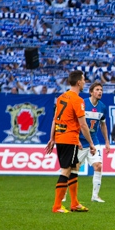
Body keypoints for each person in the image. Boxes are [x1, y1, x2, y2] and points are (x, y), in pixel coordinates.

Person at [45, 70, 96, 213]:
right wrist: (91, 143)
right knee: (66, 170)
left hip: (62, 137)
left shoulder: (61, 97)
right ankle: (56, 206)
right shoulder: (77, 100)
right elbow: (83, 125)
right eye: (84, 79)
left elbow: (55, 119)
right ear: (79, 82)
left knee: (74, 167)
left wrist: (52, 138)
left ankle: (74, 203)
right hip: (68, 138)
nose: (85, 82)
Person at [78, 82, 110, 203]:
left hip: (94, 142)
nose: (100, 92)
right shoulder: (83, 103)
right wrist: (75, 139)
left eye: (101, 90)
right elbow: (76, 123)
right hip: (80, 142)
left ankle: (95, 196)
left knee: (98, 166)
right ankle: (64, 194)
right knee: (72, 169)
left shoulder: (102, 107)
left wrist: (107, 141)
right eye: (97, 90)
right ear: (91, 92)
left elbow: (103, 124)